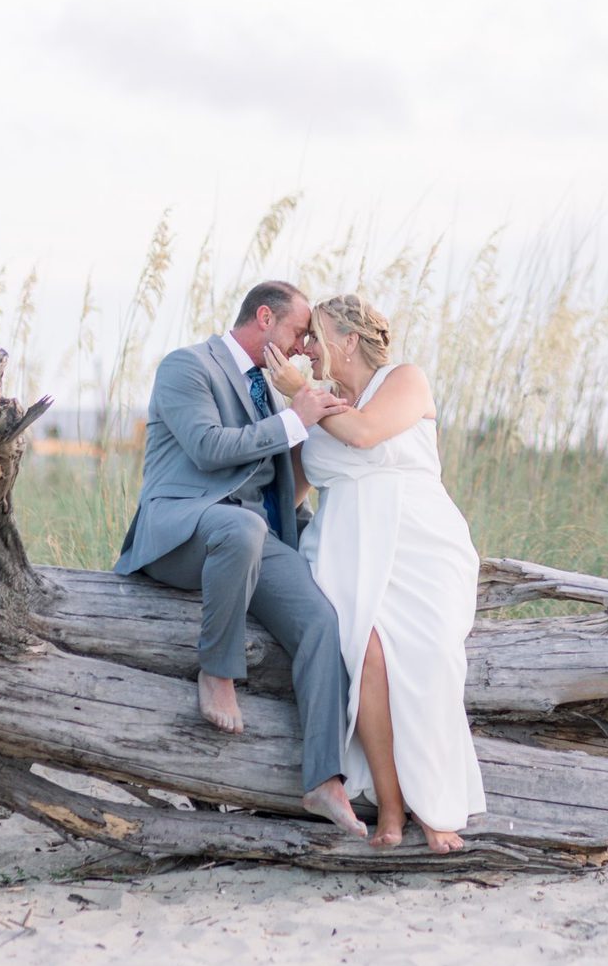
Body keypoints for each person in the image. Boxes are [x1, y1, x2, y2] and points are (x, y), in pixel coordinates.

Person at [113, 280, 369, 837]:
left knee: (320, 621)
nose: (304, 347)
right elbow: (208, 448)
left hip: (252, 537)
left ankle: (324, 779)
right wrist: (292, 419)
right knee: (241, 527)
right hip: (183, 532)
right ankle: (218, 671)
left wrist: (321, 426)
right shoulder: (186, 367)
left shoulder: (270, 391)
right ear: (264, 318)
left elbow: (279, 486)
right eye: (300, 332)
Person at [266, 293, 486, 853]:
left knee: (433, 653)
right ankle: (390, 805)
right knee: (365, 655)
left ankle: (436, 807)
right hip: (344, 544)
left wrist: (299, 393)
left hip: (419, 541)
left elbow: (364, 434)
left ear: (346, 339)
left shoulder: (405, 379)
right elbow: (291, 489)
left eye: (314, 336)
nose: (306, 349)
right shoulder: (313, 403)